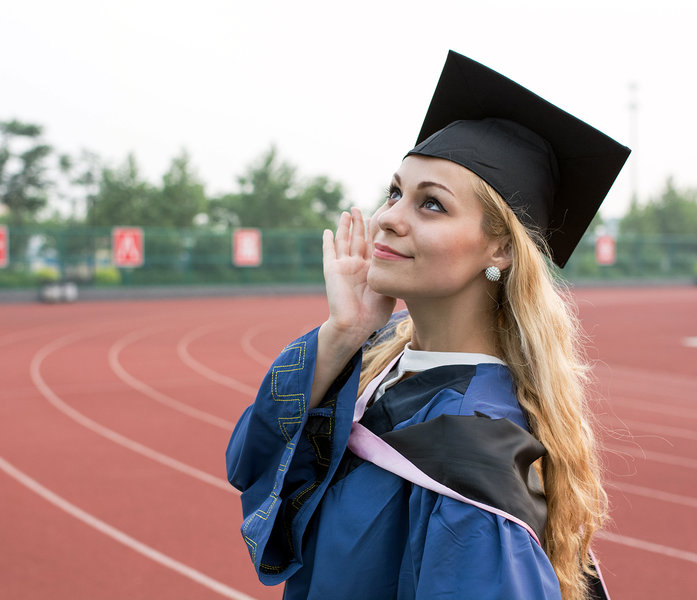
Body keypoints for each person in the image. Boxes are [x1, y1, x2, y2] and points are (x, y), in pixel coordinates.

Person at [226, 51, 630, 600]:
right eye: (395, 192)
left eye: (431, 205)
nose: (389, 217)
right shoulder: (374, 374)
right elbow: (250, 459)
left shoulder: (473, 456)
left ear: (502, 248)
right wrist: (344, 332)